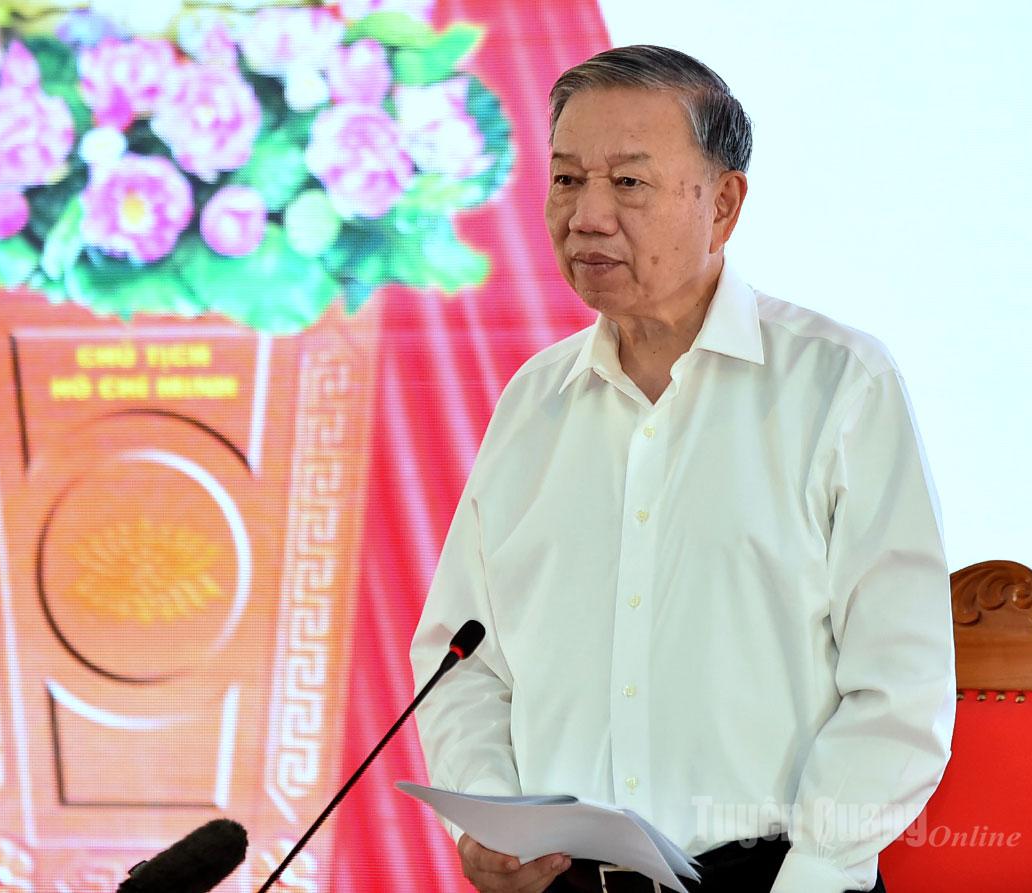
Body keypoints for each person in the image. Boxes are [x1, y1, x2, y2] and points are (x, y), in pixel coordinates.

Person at [409, 45, 955, 893]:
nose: (587, 215)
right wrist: (491, 819)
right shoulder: (533, 402)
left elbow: (900, 684)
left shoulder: (838, 385)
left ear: (723, 203)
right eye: (566, 179)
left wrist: (812, 875)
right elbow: (464, 658)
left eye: (628, 182)